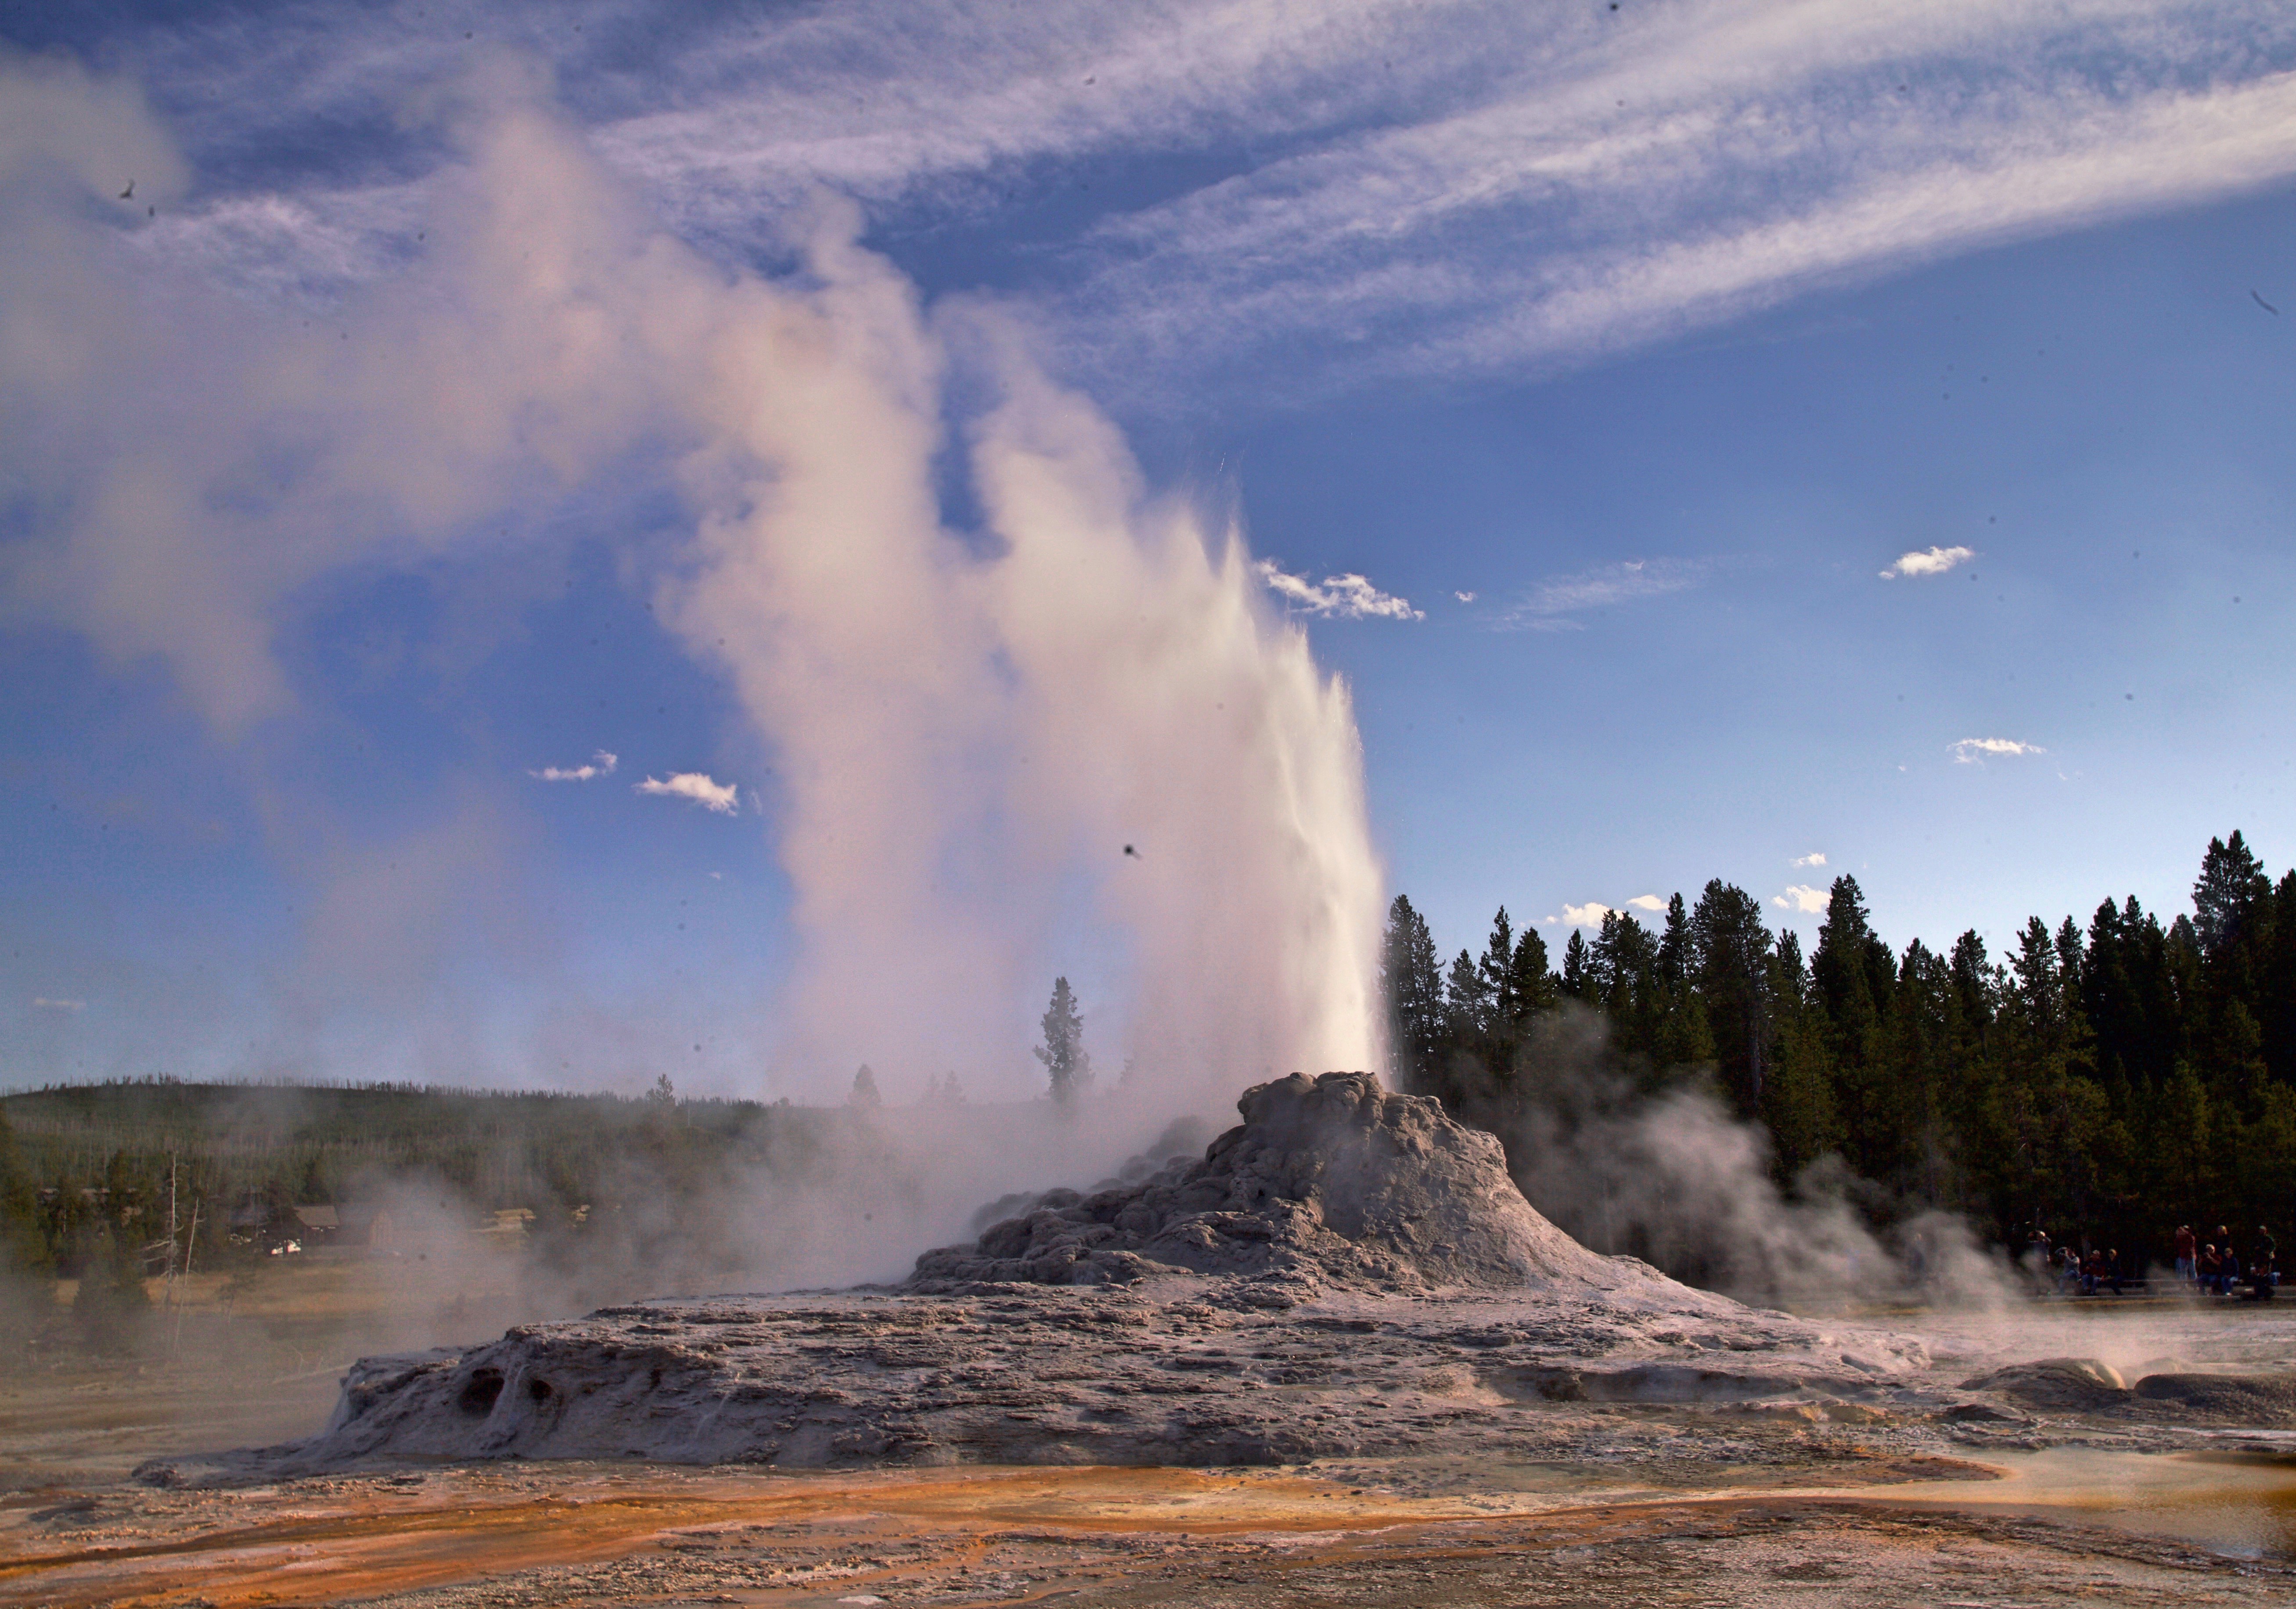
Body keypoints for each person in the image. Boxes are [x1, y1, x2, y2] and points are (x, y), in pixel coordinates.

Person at [2174, 1223, 2197, 1287]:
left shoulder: (2190, 1237)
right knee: (2183, 1272)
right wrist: (2178, 1235)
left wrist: (2185, 1233)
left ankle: (2195, 1285)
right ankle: (2184, 1286)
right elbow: (2176, 1245)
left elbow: (2192, 1242)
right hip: (2182, 1256)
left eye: (2186, 1230)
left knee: (2193, 1271)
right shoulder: (2179, 1238)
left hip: (2190, 1256)